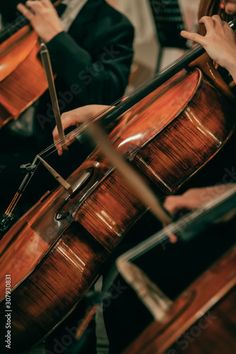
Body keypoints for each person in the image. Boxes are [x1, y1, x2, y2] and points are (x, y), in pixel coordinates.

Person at [51, 6, 236, 353]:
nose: (225, 7)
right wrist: (111, 116)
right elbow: (170, 117)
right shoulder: (214, 57)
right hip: (169, 212)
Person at [0, 0, 134, 213]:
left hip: (46, 161)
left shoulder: (115, 26)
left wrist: (57, 38)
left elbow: (105, 94)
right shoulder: (19, 4)